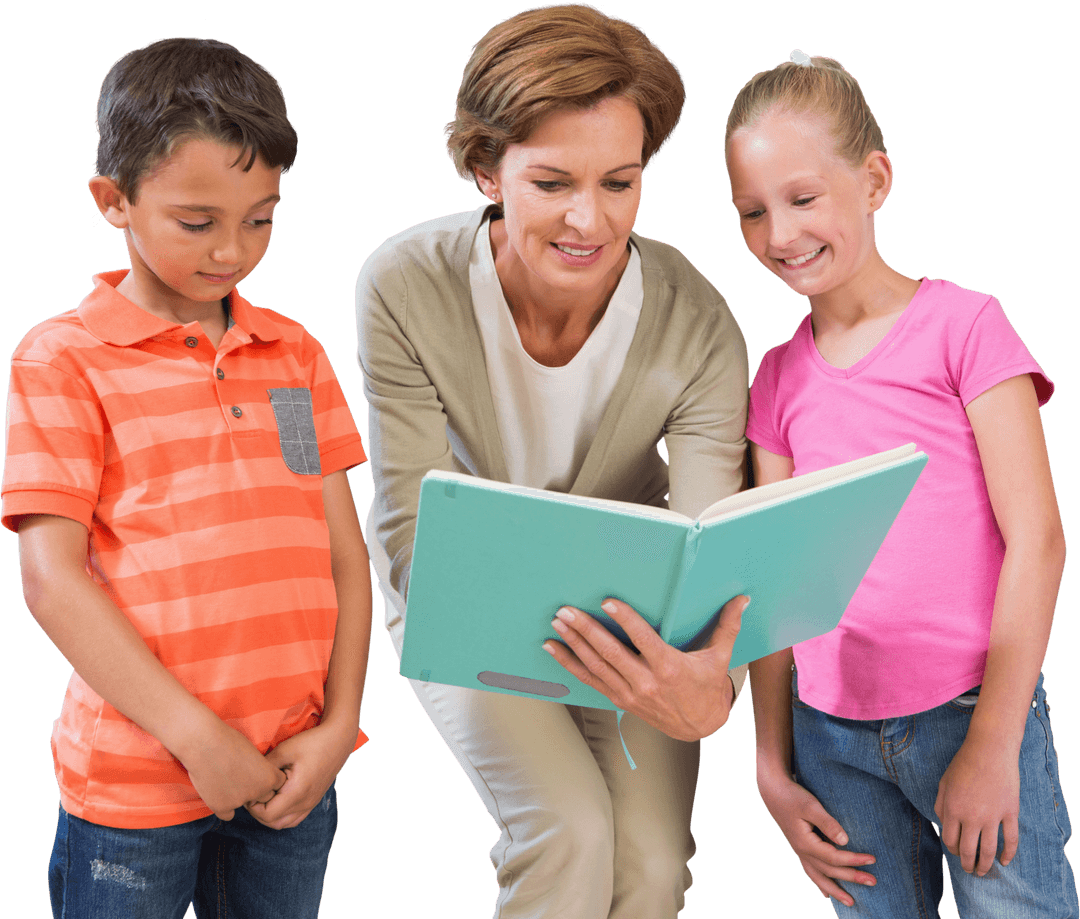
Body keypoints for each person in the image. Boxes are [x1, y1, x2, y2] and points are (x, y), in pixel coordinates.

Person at [355, 5, 748, 916]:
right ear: (486, 169)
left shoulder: (698, 321)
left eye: (620, 181)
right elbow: (412, 525)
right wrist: (496, 622)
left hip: (630, 621)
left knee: (650, 866)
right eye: (552, 181)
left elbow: (710, 539)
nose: (589, 219)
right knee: (568, 827)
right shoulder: (404, 282)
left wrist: (713, 683)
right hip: (460, 598)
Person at [2, 38, 372, 919]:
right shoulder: (62, 359)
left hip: (291, 776)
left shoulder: (295, 354)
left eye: (262, 218)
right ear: (113, 201)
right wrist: (198, 739)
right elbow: (51, 581)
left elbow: (344, 558)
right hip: (134, 790)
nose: (232, 250)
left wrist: (336, 731)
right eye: (198, 222)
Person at [723, 50, 1075, 916]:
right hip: (829, 740)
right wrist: (772, 766)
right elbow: (772, 583)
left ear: (874, 179)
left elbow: (1039, 539)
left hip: (971, 713)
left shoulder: (966, 326)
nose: (780, 234)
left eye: (803, 198)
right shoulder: (773, 380)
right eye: (752, 212)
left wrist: (994, 742)